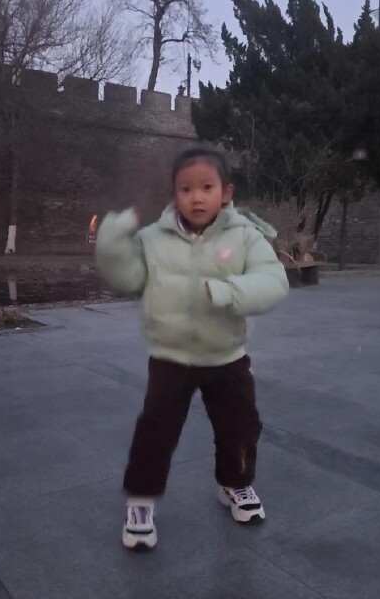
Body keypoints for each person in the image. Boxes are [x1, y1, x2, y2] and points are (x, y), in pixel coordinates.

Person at [95, 147, 289, 550]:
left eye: (206, 187)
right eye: (186, 189)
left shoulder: (245, 236)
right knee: (156, 431)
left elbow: (273, 281)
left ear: (226, 192)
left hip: (227, 356)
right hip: (171, 357)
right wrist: (112, 243)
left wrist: (228, 291)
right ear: (174, 194)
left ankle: (235, 484)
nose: (196, 197)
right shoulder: (152, 239)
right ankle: (141, 501)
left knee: (240, 427)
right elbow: (129, 278)